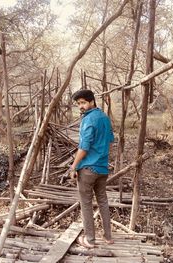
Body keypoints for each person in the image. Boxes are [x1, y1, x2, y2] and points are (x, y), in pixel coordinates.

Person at [70, 89, 115, 249]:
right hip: (102, 168)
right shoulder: (104, 117)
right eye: (78, 104)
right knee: (103, 201)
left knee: (86, 204)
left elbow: (84, 146)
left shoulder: (88, 120)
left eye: (82, 103)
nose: (80, 107)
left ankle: (90, 239)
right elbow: (110, 140)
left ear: (91, 101)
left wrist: (74, 166)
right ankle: (108, 237)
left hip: (88, 169)